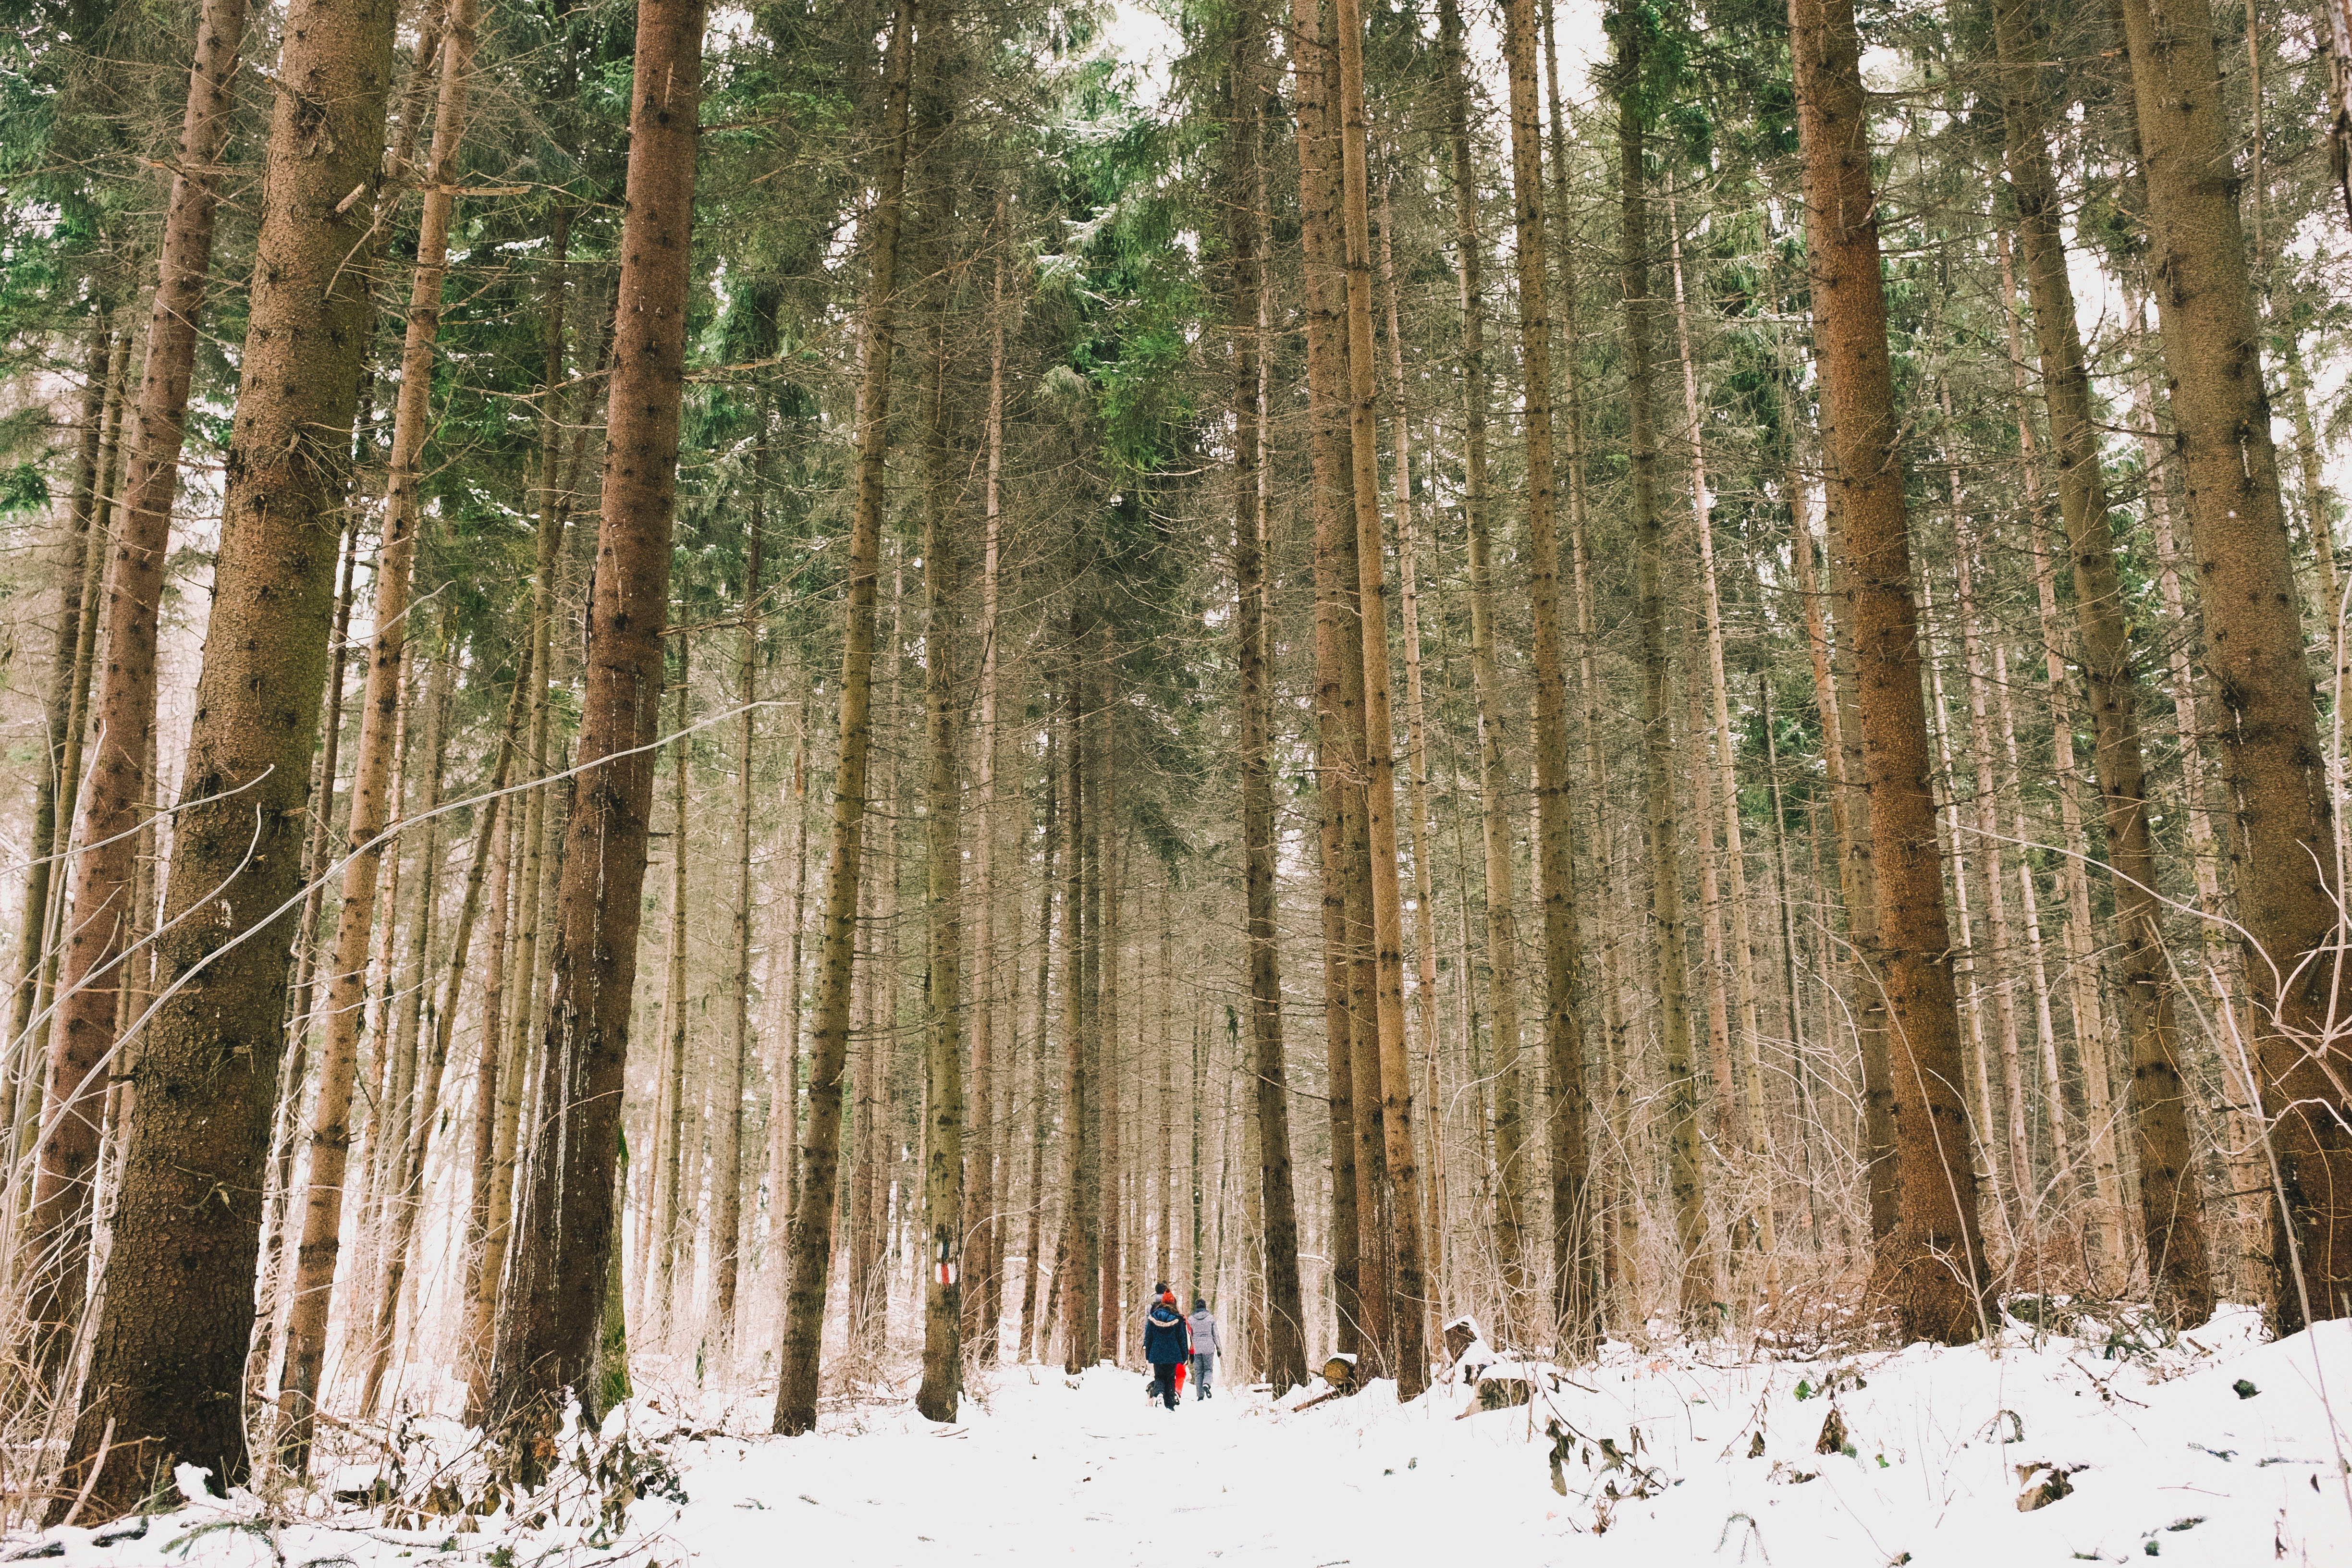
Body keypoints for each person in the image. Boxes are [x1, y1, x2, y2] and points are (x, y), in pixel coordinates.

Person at [1142, 1288, 1190, 1410]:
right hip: (1173, 1354)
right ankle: (1170, 1405)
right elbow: (1182, 1339)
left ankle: (1159, 1393)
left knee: (1159, 1376)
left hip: (1157, 1353)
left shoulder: (1153, 1317)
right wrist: (1185, 1356)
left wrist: (1148, 1354)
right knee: (1170, 1378)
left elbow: (1149, 1337)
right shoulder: (1178, 1319)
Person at [1188, 1296, 1221, 1401]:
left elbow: (1189, 1335)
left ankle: (1200, 1396)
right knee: (1208, 1369)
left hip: (1196, 1349)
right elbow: (1216, 1334)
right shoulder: (1210, 1318)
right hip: (1209, 1348)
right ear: (1205, 1307)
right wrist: (1219, 1348)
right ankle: (1206, 1384)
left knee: (1198, 1371)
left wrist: (1189, 1351)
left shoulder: (1191, 1319)